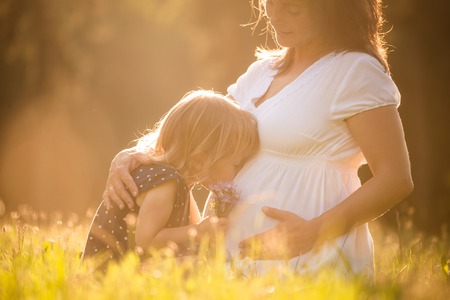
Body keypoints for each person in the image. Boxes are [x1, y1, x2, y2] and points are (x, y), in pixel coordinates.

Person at [102, 0, 413, 277]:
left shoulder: (354, 72)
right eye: (271, 3)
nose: (276, 16)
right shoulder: (261, 72)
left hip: (311, 260)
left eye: (294, 9)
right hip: (231, 262)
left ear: (331, 8)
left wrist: (313, 233)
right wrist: (131, 155)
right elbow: (199, 131)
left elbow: (395, 178)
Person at [83, 90, 260, 269]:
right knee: (196, 267)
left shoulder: (179, 182)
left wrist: (209, 228)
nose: (238, 173)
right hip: (111, 270)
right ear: (200, 161)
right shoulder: (166, 182)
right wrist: (199, 231)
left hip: (128, 265)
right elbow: (146, 241)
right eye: (236, 165)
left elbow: (193, 222)